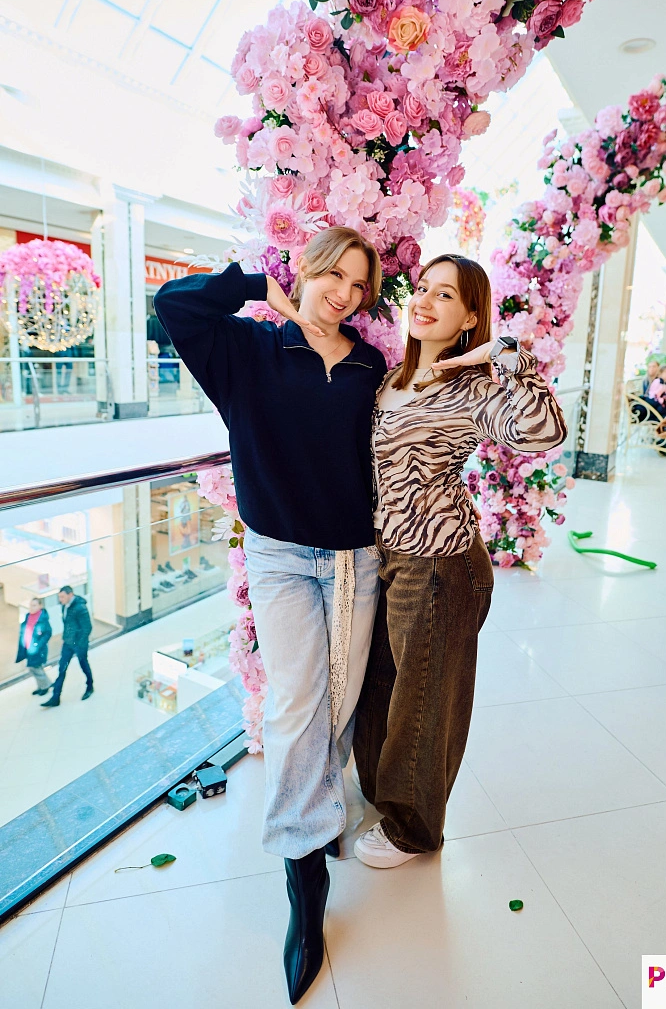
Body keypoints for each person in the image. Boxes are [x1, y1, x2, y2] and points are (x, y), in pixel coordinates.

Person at [154, 226, 387, 1005]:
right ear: (307, 270)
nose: (344, 294)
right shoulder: (247, 349)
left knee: (335, 705)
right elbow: (173, 304)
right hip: (281, 557)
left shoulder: (367, 363)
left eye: (358, 285)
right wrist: (257, 287)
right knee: (294, 703)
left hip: (354, 557)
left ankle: (318, 819)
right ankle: (303, 874)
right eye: (334, 276)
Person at [353, 254, 567, 869]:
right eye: (423, 288)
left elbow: (544, 432)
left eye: (445, 295)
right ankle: (383, 796)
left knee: (423, 699)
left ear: (470, 316)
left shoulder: (472, 388)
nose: (424, 300)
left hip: (439, 563)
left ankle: (413, 829)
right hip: (385, 556)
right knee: (380, 686)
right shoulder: (391, 377)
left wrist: (508, 356)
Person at [41, 586, 94, 706]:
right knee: (62, 669)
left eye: (62, 597)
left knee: (84, 665)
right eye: (59, 597)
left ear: (70, 595)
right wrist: (65, 638)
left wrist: (79, 644)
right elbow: (67, 624)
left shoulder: (80, 608)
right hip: (68, 643)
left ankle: (90, 686)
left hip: (78, 644)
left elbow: (87, 628)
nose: (60, 600)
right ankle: (55, 697)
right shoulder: (65, 606)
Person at [16, 597, 52, 695]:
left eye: (34, 605)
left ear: (40, 606)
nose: (31, 607)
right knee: (33, 668)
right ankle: (42, 685)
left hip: (37, 649)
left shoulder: (43, 619)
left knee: (36, 668)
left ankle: (45, 686)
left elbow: (48, 633)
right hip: (28, 649)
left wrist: (38, 644)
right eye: (31, 605)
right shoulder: (28, 616)